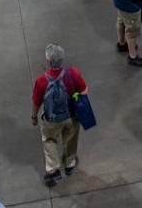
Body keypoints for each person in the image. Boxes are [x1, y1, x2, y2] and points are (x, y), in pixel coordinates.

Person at [30, 43, 86, 187]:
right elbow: (84, 91)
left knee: (49, 140)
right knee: (71, 139)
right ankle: (69, 163)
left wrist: (34, 117)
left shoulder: (42, 80)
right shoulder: (73, 73)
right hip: (71, 116)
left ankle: (53, 169)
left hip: (51, 120)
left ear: (48, 61)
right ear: (62, 59)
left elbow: (36, 102)